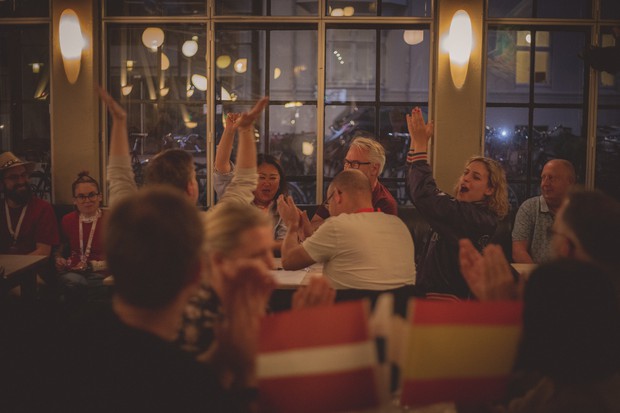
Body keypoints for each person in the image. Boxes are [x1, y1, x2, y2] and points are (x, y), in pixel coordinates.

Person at [41, 187, 274, 412]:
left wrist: (221, 357)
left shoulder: (67, 339)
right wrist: (246, 371)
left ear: (111, 260)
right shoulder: (187, 383)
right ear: (197, 272)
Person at [178, 202, 335, 358]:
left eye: (269, 251)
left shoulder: (247, 298)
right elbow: (258, 368)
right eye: (257, 255)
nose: (270, 263)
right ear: (219, 261)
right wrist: (299, 325)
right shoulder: (198, 318)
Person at [406, 107, 509, 299]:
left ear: (490, 189)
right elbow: (415, 191)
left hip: (447, 301)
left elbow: (423, 194)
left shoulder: (477, 218)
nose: (466, 178)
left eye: (475, 177)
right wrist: (416, 142)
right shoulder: (462, 210)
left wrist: (420, 145)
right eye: (466, 173)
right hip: (430, 295)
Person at [278, 169, 415, 290]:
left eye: (328, 202)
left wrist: (292, 225)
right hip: (400, 309)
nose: (329, 209)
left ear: (337, 195)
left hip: (350, 310)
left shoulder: (337, 226)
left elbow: (289, 261)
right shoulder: (399, 225)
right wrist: (308, 236)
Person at [214, 112, 289, 245]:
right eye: (261, 177)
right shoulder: (237, 199)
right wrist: (229, 130)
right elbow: (221, 166)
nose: (267, 183)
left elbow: (285, 242)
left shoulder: (282, 207)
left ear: (280, 182)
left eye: (272, 178)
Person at [310, 136, 398, 231]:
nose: (348, 169)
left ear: (374, 169)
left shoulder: (385, 204)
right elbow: (313, 225)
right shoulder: (338, 192)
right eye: (347, 162)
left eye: (355, 164)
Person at [55, 172, 108, 304]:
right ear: (74, 200)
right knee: (74, 283)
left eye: (91, 195)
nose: (87, 200)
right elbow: (60, 248)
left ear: (100, 196)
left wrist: (92, 266)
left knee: (80, 288)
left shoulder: (111, 219)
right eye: (81, 196)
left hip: (101, 273)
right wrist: (59, 259)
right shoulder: (67, 220)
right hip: (73, 272)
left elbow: (121, 256)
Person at [512, 159, 576, 264]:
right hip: (535, 272)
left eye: (551, 178)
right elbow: (518, 251)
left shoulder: (579, 211)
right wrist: (538, 274)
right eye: (543, 178)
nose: (544, 184)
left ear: (570, 182)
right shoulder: (529, 207)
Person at [0, 151, 59, 257]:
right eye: (13, 177)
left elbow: (43, 252)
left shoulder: (42, 208)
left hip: (33, 266)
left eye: (23, 175)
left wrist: (15, 265)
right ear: (1, 183)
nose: (21, 181)